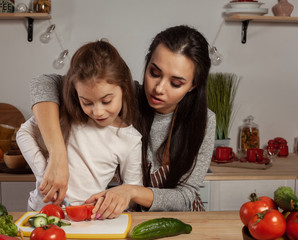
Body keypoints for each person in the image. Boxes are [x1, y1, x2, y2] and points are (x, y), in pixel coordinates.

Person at [29, 25, 216, 218]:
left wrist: (131, 191)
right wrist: (57, 156)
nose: (159, 88)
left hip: (184, 219)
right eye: (154, 72)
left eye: (175, 83)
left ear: (193, 85)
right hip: (133, 217)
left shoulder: (204, 121)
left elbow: (185, 197)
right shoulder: (124, 97)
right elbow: (43, 83)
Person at [16, 40, 143, 211]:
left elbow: (132, 194)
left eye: (106, 101)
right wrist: (45, 173)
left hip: (86, 219)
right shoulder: (63, 113)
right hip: (40, 211)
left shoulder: (131, 140)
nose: (97, 112)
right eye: (87, 102)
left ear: (124, 89)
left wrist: (109, 203)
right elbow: (24, 133)